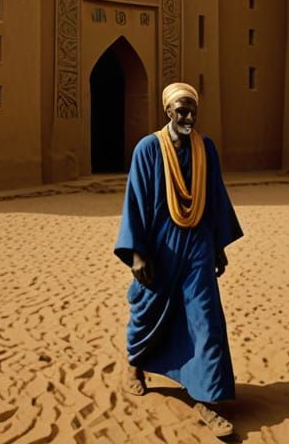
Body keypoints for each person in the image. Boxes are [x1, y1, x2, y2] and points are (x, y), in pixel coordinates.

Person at [114, 82, 243, 438]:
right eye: (181, 110)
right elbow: (136, 201)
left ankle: (207, 399)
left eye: (192, 111)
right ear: (168, 112)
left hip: (198, 243)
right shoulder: (148, 149)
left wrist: (218, 246)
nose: (188, 117)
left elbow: (215, 195)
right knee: (147, 311)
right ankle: (135, 364)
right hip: (160, 246)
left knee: (206, 320)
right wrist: (137, 253)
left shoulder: (206, 149)